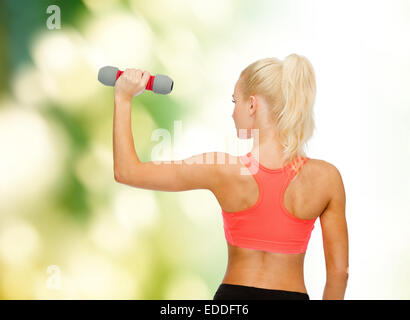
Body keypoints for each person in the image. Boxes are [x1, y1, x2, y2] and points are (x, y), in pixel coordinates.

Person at [112, 54, 349, 300]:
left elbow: (127, 171)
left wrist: (123, 98)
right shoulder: (326, 178)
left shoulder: (221, 168)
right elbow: (339, 273)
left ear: (252, 105)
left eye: (235, 101)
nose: (233, 113)